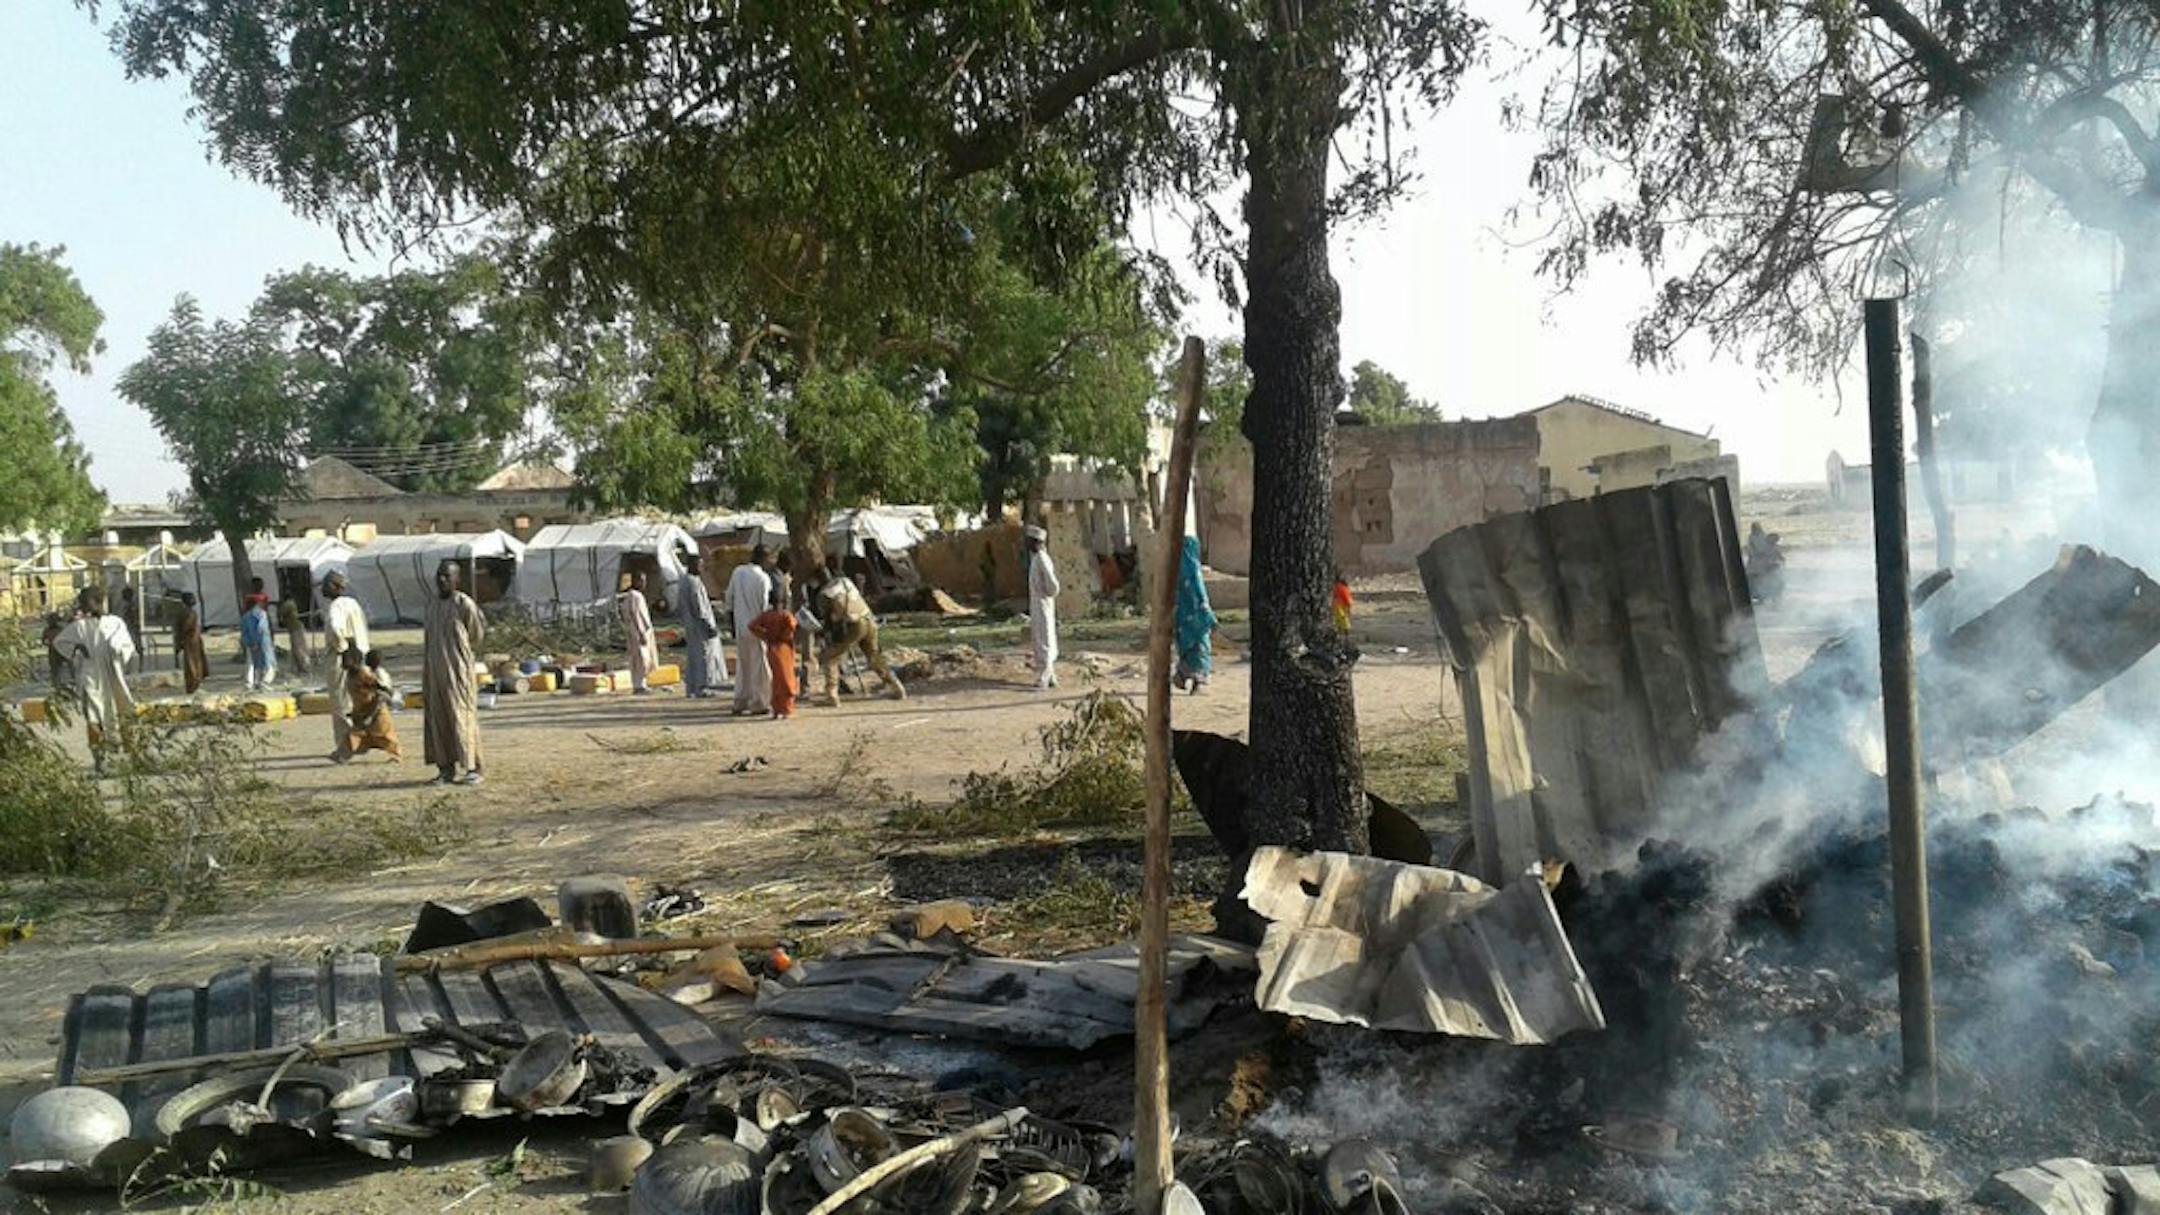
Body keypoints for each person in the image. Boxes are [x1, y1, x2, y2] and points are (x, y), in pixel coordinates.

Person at [55, 586, 135, 775]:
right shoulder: (79, 626)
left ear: (98, 601)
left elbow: (126, 645)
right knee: (93, 715)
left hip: (112, 674)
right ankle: (100, 759)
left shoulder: (115, 623)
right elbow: (60, 642)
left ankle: (131, 753)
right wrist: (77, 649)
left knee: (123, 710)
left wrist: (117, 650)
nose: (82, 606)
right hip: (90, 675)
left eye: (86, 602)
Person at [422, 563, 486, 784]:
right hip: (434, 673)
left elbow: (476, 636)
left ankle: (472, 767)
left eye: (447, 576)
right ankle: (445, 769)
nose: (442, 580)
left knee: (462, 717)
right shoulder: (431, 606)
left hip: (458, 672)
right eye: (439, 576)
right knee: (439, 719)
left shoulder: (464, 604)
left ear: (457, 579)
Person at [815, 568, 905, 705]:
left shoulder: (826, 593)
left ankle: (831, 695)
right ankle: (896, 687)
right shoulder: (846, 582)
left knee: (830, 657)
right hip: (869, 619)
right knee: (874, 656)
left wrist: (829, 633)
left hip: (853, 624)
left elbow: (834, 617)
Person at [323, 572, 371, 764]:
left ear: (335, 586)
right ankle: (359, 742)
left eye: (326, 585)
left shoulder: (336, 607)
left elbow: (336, 629)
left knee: (341, 703)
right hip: (359, 656)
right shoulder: (353, 603)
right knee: (357, 701)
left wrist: (341, 647)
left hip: (342, 658)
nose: (322, 589)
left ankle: (345, 748)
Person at [728, 545, 776, 715]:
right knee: (759, 666)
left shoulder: (738, 572)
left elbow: (729, 599)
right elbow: (764, 606)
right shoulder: (763, 578)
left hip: (740, 626)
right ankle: (759, 702)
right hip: (757, 627)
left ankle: (740, 701)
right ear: (764, 558)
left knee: (743, 665)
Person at [677, 554, 729, 698]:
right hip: (699, 626)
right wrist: (708, 625)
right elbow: (699, 608)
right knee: (703, 657)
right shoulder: (693, 582)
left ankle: (692, 687)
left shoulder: (684, 581)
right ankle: (702, 686)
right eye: (700, 565)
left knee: (693, 656)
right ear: (693, 565)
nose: (702, 568)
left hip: (690, 626)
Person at [1173, 536, 1217, 694]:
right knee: (1199, 647)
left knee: (1191, 646)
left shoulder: (1176, 568)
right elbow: (1199, 595)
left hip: (1185, 616)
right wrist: (1208, 615)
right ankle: (1196, 680)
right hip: (1194, 615)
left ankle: (1186, 676)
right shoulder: (1191, 569)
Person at [749, 584, 799, 720]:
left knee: (777, 679)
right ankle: (786, 709)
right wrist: (783, 636)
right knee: (787, 680)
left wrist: (765, 636)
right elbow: (792, 627)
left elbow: (752, 626)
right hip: (784, 649)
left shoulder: (767, 615)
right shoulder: (786, 615)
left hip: (772, 648)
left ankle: (777, 709)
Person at [346, 650, 403, 761]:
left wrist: (372, 711)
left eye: (346, 659)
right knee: (356, 734)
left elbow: (381, 689)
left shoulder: (365, 674)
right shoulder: (351, 675)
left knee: (384, 734)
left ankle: (396, 754)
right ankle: (344, 754)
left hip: (375, 707)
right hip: (362, 709)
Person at [1024, 525, 1060, 690]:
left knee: (1044, 637)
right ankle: (1051, 676)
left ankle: (1044, 678)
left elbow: (1053, 585)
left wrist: (1047, 595)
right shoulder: (1036, 558)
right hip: (1038, 603)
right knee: (1041, 636)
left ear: (1036, 542)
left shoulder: (1042, 558)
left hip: (1043, 603)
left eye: (1029, 541)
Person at [617, 571, 658, 694]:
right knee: (641, 658)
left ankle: (641, 683)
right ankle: (639, 685)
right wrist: (641, 632)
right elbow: (635, 615)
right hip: (638, 631)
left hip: (639, 630)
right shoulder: (634, 596)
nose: (644, 583)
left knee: (642, 658)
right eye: (641, 580)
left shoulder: (635, 595)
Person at [239, 593, 277, 689]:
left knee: (252, 663)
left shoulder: (245, 616)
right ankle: (264, 682)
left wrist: (248, 642)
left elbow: (243, 632)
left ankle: (251, 683)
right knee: (269, 664)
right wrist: (258, 642)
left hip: (249, 643)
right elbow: (262, 629)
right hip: (263, 642)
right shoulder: (261, 614)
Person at [174, 591, 209, 693]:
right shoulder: (191, 613)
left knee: (191, 664)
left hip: (190, 640)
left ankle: (193, 685)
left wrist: (179, 641)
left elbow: (183, 628)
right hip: (193, 640)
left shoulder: (187, 613)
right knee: (195, 663)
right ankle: (194, 684)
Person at [279, 594, 313, 675]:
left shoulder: (289, 604)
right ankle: (299, 668)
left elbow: (281, 613)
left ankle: (305, 668)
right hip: (294, 629)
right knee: (296, 650)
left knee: (300, 650)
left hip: (296, 629)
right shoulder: (291, 604)